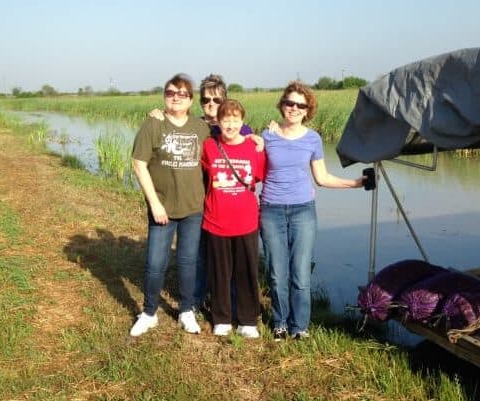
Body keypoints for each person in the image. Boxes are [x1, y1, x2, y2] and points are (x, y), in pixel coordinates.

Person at [260, 81, 365, 341]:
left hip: (302, 212)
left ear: (308, 110)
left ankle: (299, 327)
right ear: (282, 105)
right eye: (289, 103)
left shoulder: (313, 138)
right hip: (270, 210)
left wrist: (355, 183)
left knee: (301, 274)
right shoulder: (267, 135)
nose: (293, 108)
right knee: (276, 273)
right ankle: (280, 323)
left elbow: (322, 177)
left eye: (300, 105)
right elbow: (238, 144)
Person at [149, 74, 259, 313]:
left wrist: (258, 139)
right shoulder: (194, 125)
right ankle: (196, 300)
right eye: (205, 100)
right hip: (198, 200)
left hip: (227, 202)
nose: (210, 105)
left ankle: (230, 303)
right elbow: (170, 128)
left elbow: (252, 157)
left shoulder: (239, 128)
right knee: (199, 254)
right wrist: (157, 114)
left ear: (225, 101)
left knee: (228, 256)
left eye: (216, 100)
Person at [129, 73, 210, 337]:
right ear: (165, 96)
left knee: (188, 262)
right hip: (162, 208)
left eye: (182, 94)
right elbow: (139, 164)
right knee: (155, 263)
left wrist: (256, 139)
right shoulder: (153, 124)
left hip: (193, 208)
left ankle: (186, 310)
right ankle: (149, 312)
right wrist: (154, 204)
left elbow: (229, 138)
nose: (176, 97)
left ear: (190, 100)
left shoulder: (200, 127)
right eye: (170, 92)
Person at [200, 99, 265, 338]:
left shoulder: (254, 148)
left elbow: (258, 177)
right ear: (217, 121)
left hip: (246, 221)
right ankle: (222, 318)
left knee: (247, 272)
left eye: (235, 119)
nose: (230, 124)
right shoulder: (208, 146)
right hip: (216, 220)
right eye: (225, 119)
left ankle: (248, 320)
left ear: (242, 122)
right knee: (219, 272)